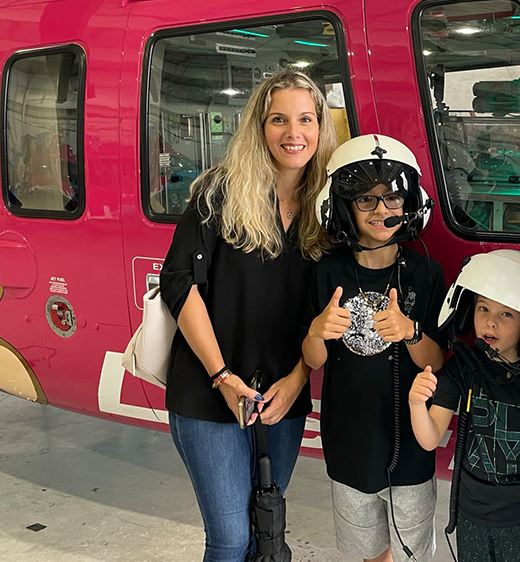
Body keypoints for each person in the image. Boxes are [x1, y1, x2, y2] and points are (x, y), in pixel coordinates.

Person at [159, 70, 337, 562]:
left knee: (267, 531)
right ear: (259, 127)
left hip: (282, 396)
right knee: (231, 539)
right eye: (278, 119)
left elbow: (326, 312)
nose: (293, 133)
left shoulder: (328, 208)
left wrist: (299, 380)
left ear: (321, 127)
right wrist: (223, 377)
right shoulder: (220, 192)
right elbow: (180, 283)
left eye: (305, 119)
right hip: (210, 391)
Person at [302, 134, 447, 562]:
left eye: (393, 198)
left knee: (412, 554)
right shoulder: (327, 273)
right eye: (366, 200)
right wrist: (317, 331)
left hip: (411, 452)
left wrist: (410, 332)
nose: (382, 211)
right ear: (343, 206)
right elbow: (314, 360)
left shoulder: (426, 273)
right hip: (350, 443)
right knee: (367, 552)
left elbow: (437, 361)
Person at [408, 249, 520, 562]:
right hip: (472, 518)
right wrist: (417, 404)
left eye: (507, 314)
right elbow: (430, 438)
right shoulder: (463, 367)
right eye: (483, 308)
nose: (490, 322)